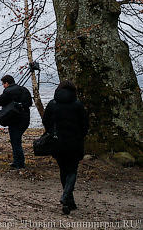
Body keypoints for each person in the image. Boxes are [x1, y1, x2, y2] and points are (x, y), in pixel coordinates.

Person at [42, 80, 90, 215]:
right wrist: (80, 135)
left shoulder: (53, 104)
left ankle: (69, 201)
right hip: (74, 142)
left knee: (63, 170)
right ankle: (66, 197)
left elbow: (45, 120)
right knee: (72, 170)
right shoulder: (78, 105)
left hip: (57, 142)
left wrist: (52, 132)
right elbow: (85, 124)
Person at [0, 74, 32, 170]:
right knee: (16, 140)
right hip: (25, 118)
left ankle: (20, 163)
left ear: (7, 83)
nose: (3, 86)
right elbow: (29, 103)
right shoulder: (24, 89)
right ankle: (16, 161)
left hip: (14, 120)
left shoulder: (8, 91)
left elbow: (0, 101)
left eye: (3, 84)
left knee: (15, 141)